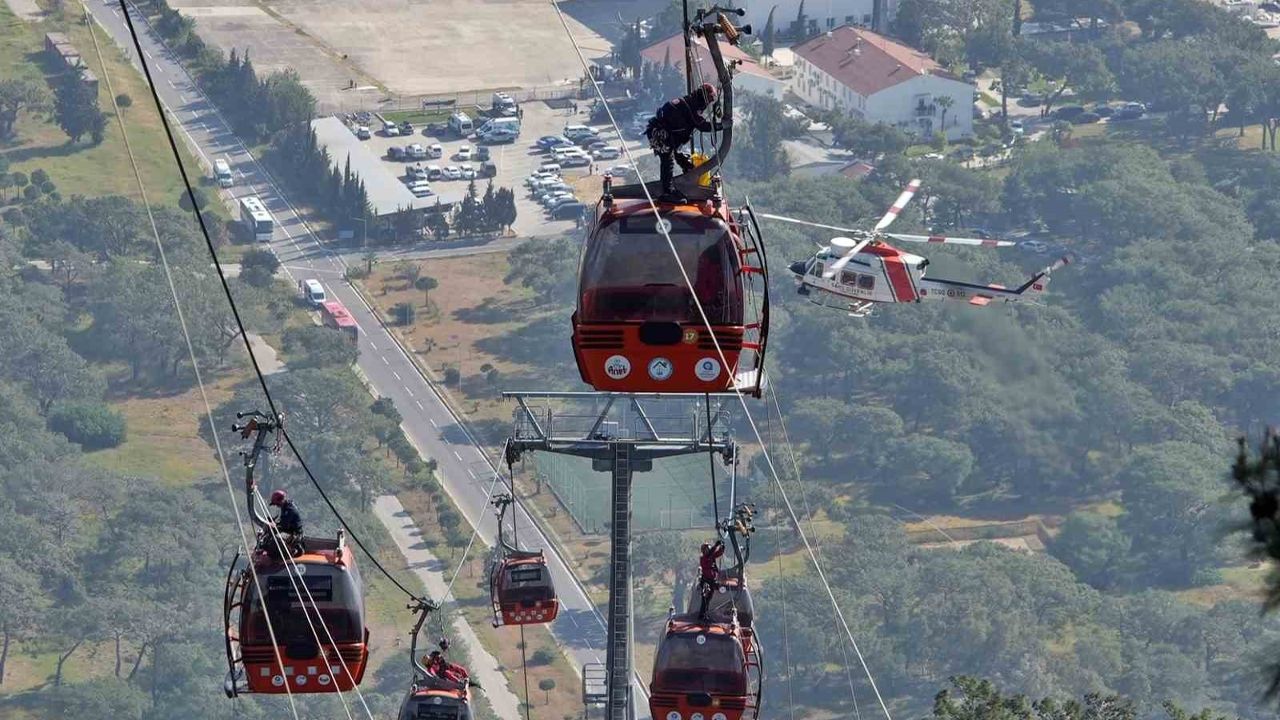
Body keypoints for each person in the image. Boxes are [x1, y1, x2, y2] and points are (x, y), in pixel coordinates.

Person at [646, 83, 718, 202]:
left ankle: (681, 179)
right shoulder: (691, 106)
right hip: (659, 134)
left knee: (680, 159)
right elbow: (702, 126)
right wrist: (722, 126)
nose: (707, 105)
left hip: (664, 135)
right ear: (703, 97)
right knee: (667, 161)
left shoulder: (689, 102)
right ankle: (667, 192)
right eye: (708, 101)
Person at [697, 539, 725, 618]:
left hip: (712, 580)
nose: (708, 550)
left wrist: (722, 547)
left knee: (708, 598)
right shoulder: (703, 558)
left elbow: (717, 553)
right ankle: (702, 614)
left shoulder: (711, 556)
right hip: (706, 580)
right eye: (706, 549)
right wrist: (716, 545)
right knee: (705, 598)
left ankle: (704, 613)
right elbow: (711, 554)